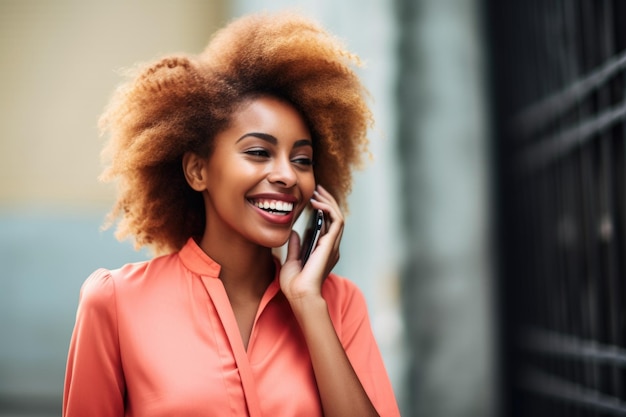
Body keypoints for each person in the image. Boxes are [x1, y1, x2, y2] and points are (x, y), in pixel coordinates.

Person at [63, 10, 400, 417]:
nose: (286, 175)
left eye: (303, 159)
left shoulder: (338, 303)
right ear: (197, 170)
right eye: (259, 152)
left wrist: (308, 303)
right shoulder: (115, 302)